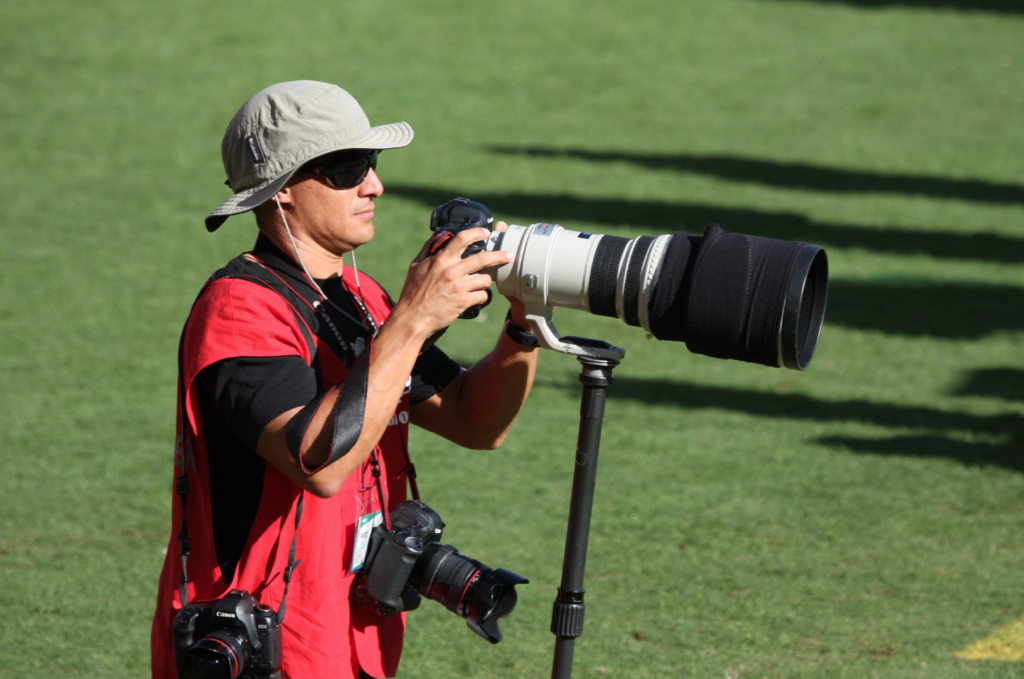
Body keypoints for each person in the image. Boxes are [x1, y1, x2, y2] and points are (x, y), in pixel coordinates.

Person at [150, 80, 542, 679]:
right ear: (281, 191)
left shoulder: (363, 297)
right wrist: (411, 321)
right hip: (266, 646)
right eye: (348, 168)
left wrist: (525, 322)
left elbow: (474, 420)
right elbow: (319, 463)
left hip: (351, 637)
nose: (375, 185)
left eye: (373, 163)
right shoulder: (239, 310)